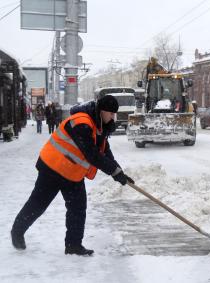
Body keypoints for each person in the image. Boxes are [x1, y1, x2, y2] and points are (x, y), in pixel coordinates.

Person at [10, 95, 134, 256]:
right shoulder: (81, 122)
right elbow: (92, 154)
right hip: (52, 168)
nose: (113, 117)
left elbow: (104, 152)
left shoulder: (99, 125)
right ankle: (17, 231)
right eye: (111, 113)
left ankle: (73, 246)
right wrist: (114, 172)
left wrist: (119, 173)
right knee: (38, 204)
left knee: (78, 208)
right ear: (102, 111)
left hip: (72, 173)